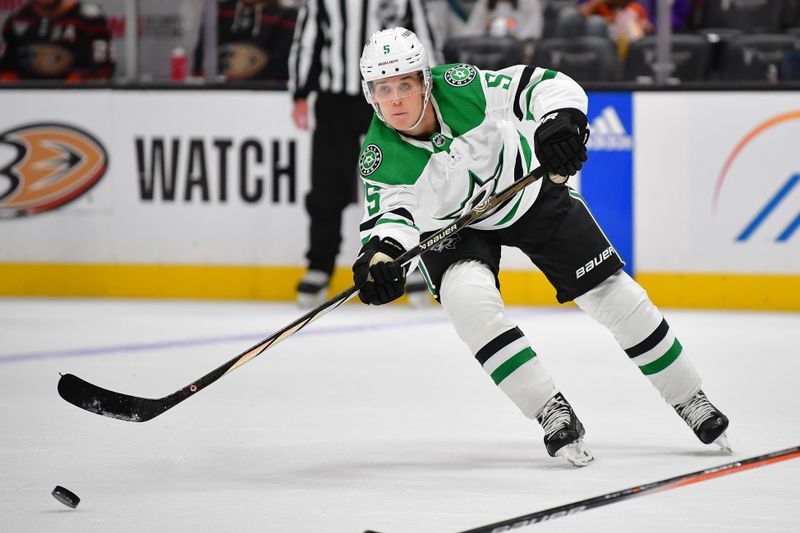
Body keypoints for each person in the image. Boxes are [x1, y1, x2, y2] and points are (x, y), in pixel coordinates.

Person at [351, 27, 731, 466]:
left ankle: (690, 398)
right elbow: (389, 219)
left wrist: (560, 121)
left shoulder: (463, 85)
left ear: (425, 81)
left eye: (405, 84)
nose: (396, 99)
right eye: (384, 88)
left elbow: (544, 86)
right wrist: (379, 259)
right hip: (451, 229)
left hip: (526, 195)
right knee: (467, 302)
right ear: (370, 95)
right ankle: (550, 409)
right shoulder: (379, 155)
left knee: (614, 294)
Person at [289, 0, 438, 308]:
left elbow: (423, 39)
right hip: (337, 100)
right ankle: (320, 265)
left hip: (393, 94)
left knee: (412, 176)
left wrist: (432, 91)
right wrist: (301, 92)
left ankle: (414, 261)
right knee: (326, 186)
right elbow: (308, 40)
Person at [0, 0, 113, 81]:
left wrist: (76, 83)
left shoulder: (89, 20)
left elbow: (103, 70)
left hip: (76, 97)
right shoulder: (19, 18)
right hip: (26, 97)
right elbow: (6, 67)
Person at [192, 0, 297, 82]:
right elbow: (201, 63)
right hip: (217, 95)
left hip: (264, 98)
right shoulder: (219, 11)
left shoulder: (287, 17)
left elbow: (284, 69)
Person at [461, 0, 544, 40]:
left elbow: (533, 32)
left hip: (517, 56)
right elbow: (470, 33)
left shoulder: (529, 2)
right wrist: (486, 28)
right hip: (488, 54)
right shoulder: (484, 4)